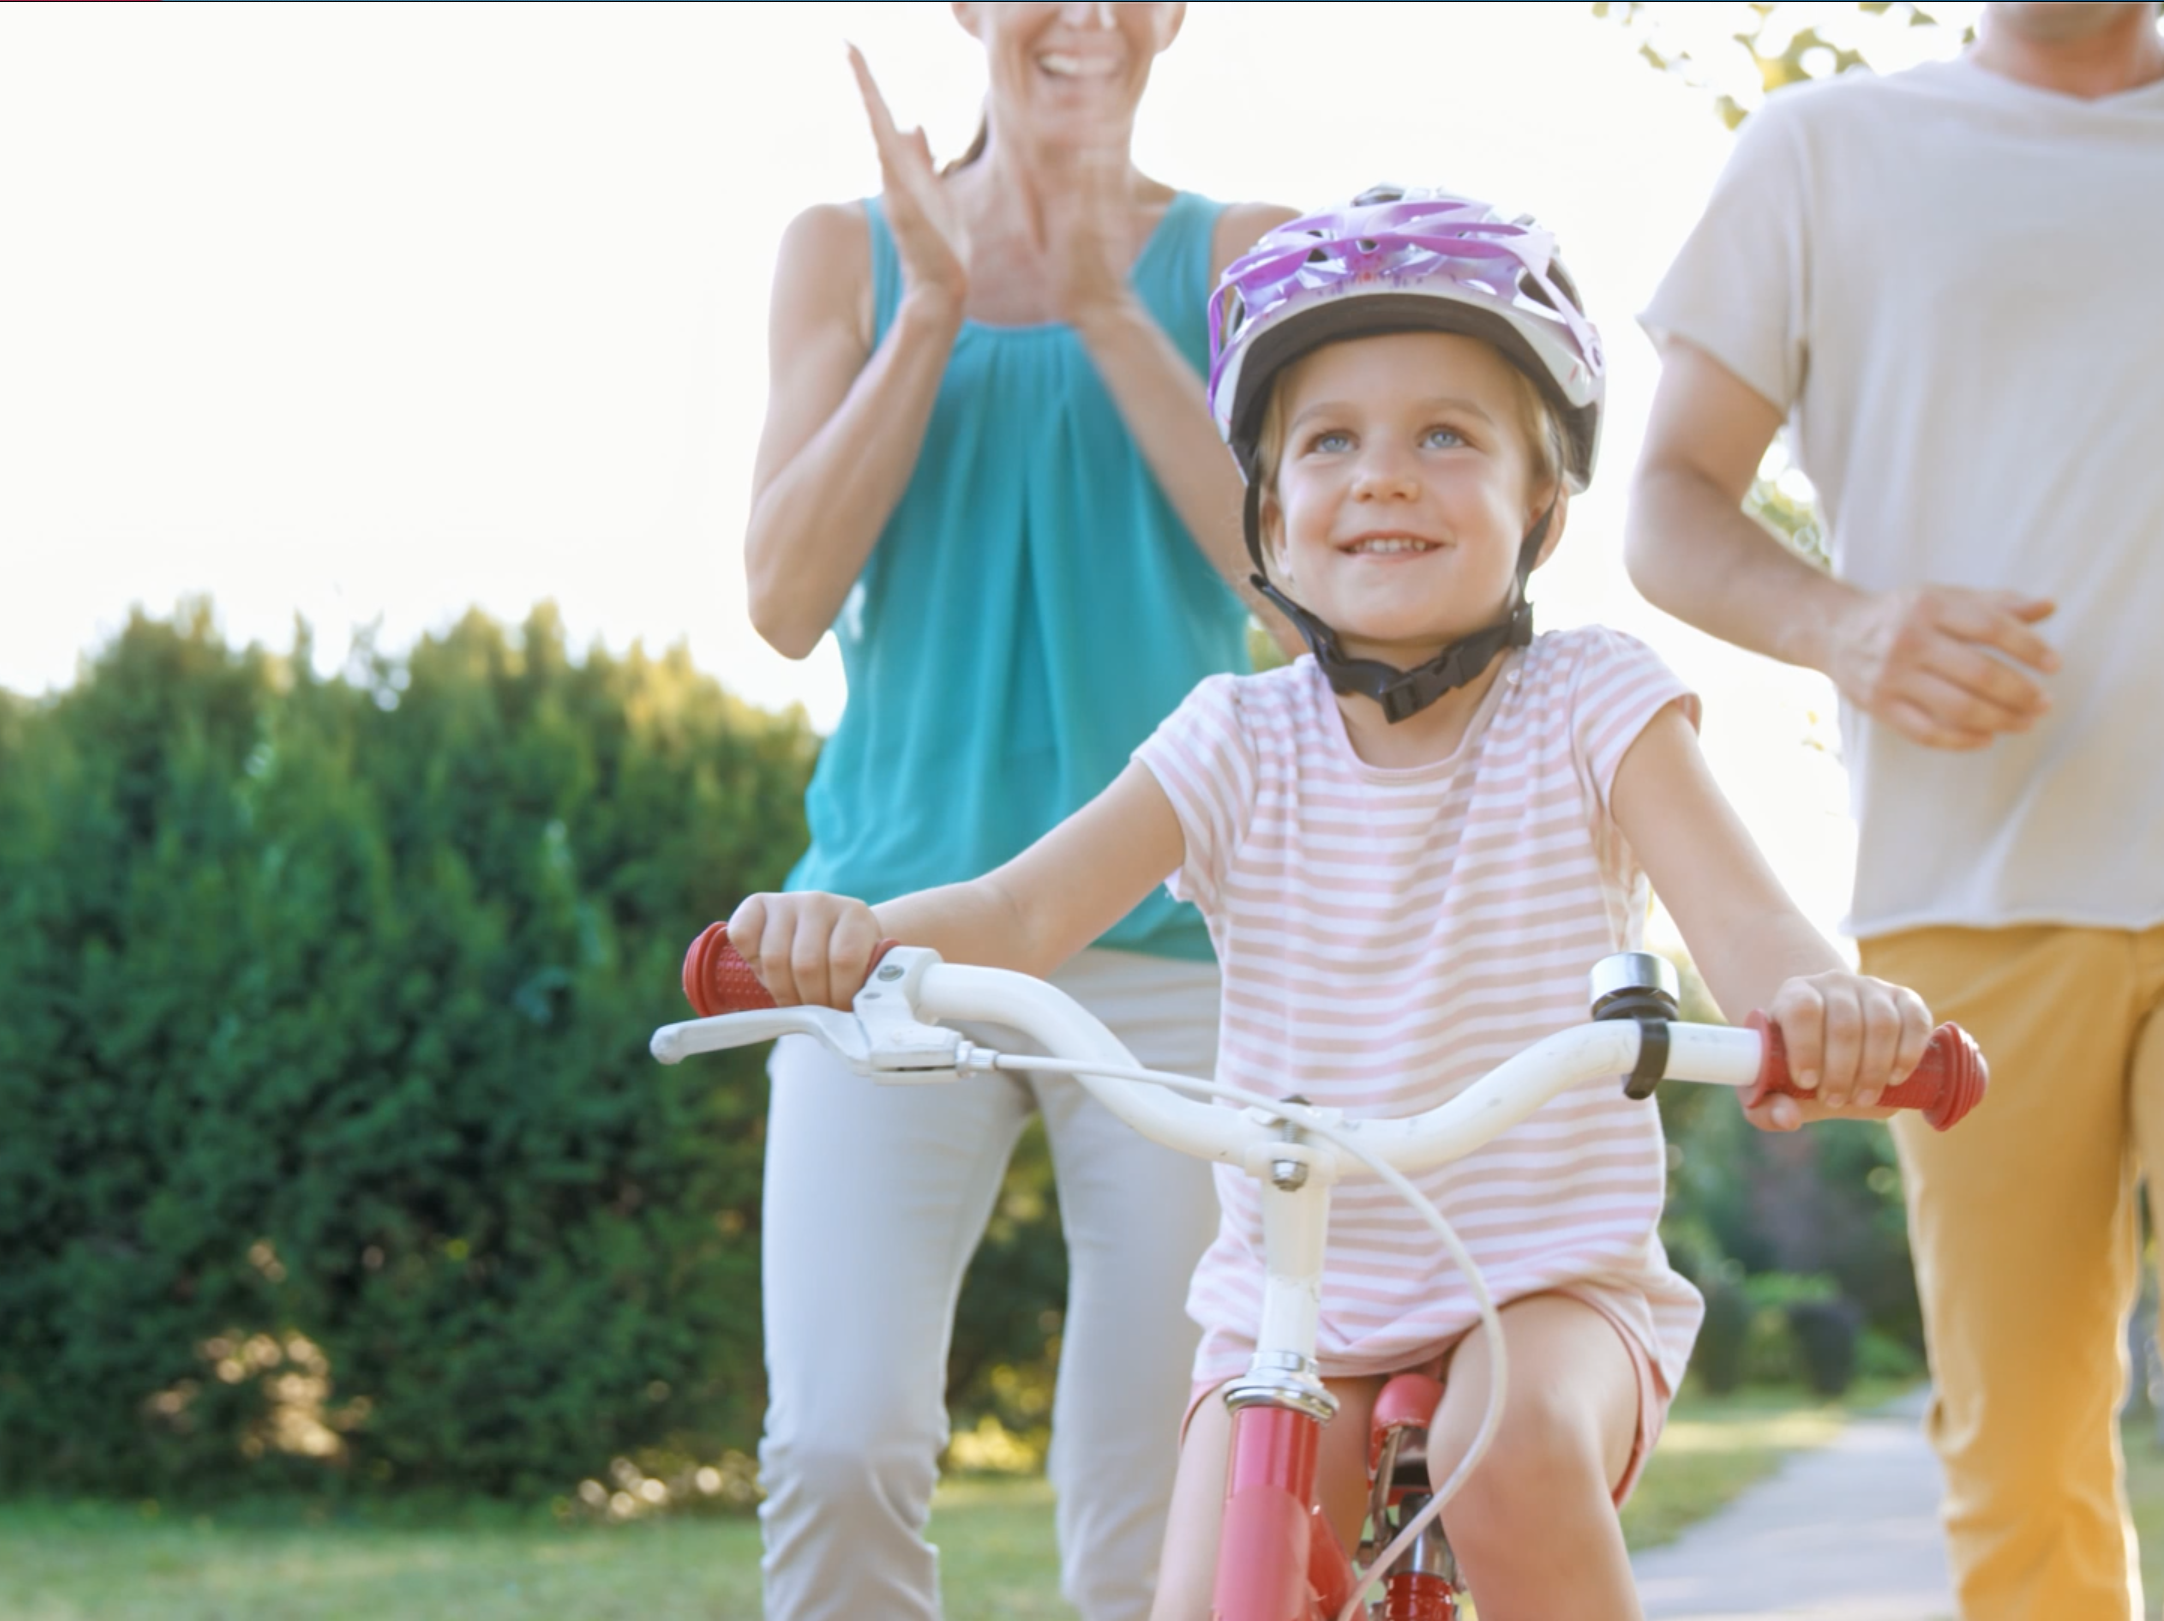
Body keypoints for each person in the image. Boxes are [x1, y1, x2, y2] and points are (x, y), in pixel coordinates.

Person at [730, 189, 1938, 1620]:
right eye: (1329, 442)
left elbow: (1747, 930)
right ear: (1269, 523)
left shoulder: (1591, 700)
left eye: (1448, 435)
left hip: (1548, 1287)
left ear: (1540, 507)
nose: (1384, 476)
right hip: (1291, 1304)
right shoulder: (1234, 739)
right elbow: (1014, 915)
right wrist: (857, 938)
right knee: (1213, 1589)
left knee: (1510, 1454)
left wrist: (1818, 1001)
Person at [1627, 5, 2164, 1616]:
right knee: (2019, 1459)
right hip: (1968, 889)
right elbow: (1667, 503)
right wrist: (1845, 627)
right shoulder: (1818, 156)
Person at [740, 6, 1298, 1617]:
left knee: (1147, 1496)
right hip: (885, 934)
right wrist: (933, 313)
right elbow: (782, 597)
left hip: (1176, 942)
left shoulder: (1242, 255)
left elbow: (1293, 587)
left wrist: (1112, 314)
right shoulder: (838, 256)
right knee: (837, 1447)